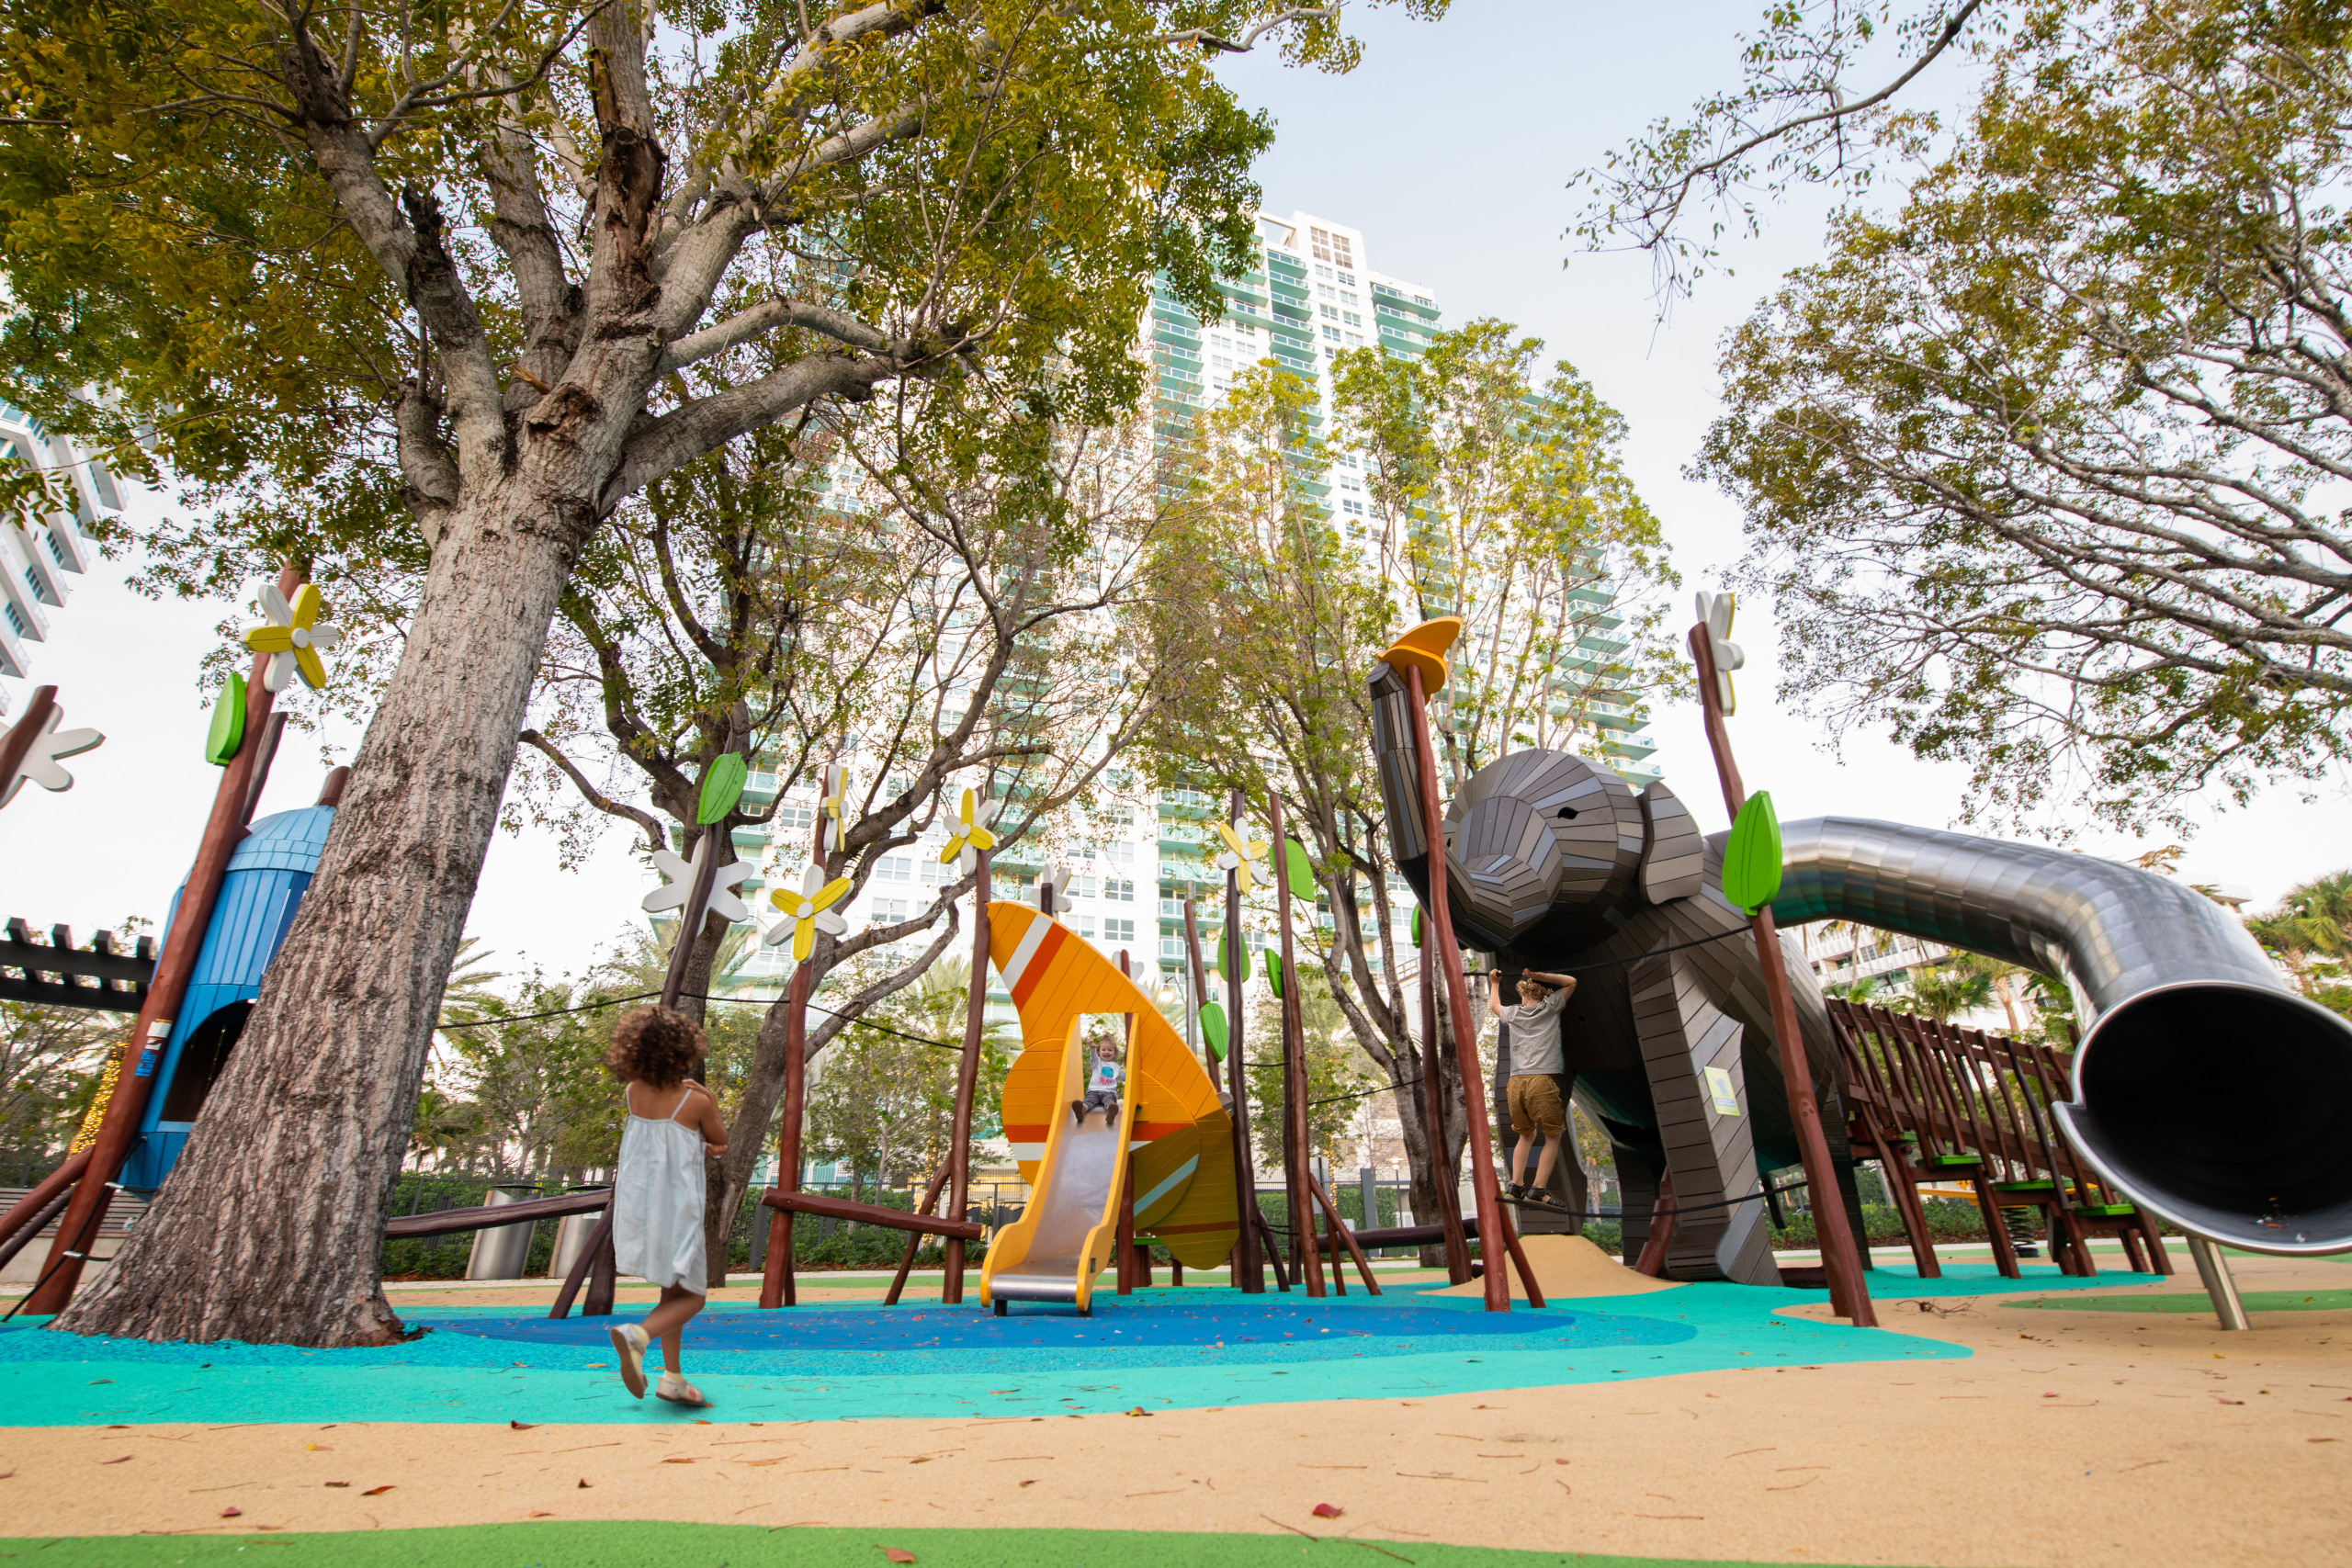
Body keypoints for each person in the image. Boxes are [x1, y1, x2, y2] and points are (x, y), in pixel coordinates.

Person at [604, 1005, 729, 1406]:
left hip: (642, 1208)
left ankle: (673, 1378)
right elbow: (720, 1140)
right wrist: (706, 1096)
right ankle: (637, 1336)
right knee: (694, 1297)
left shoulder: (633, 1092)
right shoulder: (695, 1101)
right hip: (680, 1212)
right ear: (683, 1051)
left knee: (671, 1293)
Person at [1488, 969, 1578, 1207]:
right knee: (1553, 1136)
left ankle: (1516, 1186)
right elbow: (1571, 982)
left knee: (1526, 1135)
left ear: (1526, 994)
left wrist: (1494, 982)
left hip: (1515, 1084)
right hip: (1540, 1080)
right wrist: (1542, 975)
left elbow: (1494, 1005)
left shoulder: (1514, 1013)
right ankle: (1538, 1189)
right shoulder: (1549, 1007)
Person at [1069, 1030, 1125, 1125]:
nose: (1106, 1052)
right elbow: (1093, 1057)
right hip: (1094, 1091)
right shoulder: (1097, 1062)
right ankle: (1082, 1110)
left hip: (1109, 1092)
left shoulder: (1117, 1067)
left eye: (1110, 1050)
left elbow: (1126, 1077)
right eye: (1104, 1050)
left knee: (1109, 1101)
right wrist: (1091, 1047)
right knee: (1089, 1100)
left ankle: (1110, 1112)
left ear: (1114, 1053)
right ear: (1099, 1052)